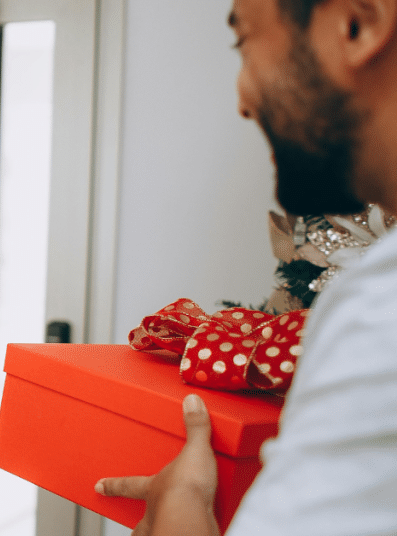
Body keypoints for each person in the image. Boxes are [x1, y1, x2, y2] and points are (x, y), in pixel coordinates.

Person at [95, 0, 397, 534]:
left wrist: (180, 508)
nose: (242, 99)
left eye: (246, 42)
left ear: (357, 25)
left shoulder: (381, 311)